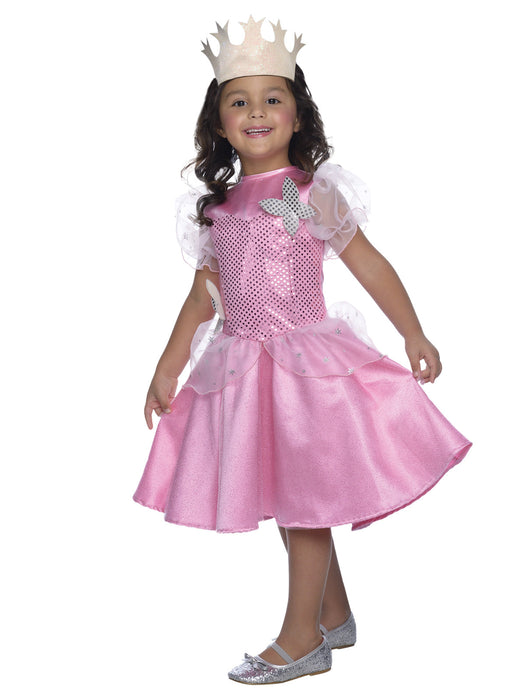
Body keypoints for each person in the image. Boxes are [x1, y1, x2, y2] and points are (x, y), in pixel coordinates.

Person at [133, 17, 472, 685]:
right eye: (239, 101)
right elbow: (203, 297)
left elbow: (365, 262)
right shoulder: (220, 210)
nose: (256, 111)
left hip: (303, 369)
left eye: (272, 98)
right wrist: (166, 368)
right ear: (220, 123)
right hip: (242, 366)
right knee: (292, 496)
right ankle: (333, 614)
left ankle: (301, 637)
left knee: (306, 499)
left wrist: (412, 331)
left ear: (296, 115)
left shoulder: (300, 193)